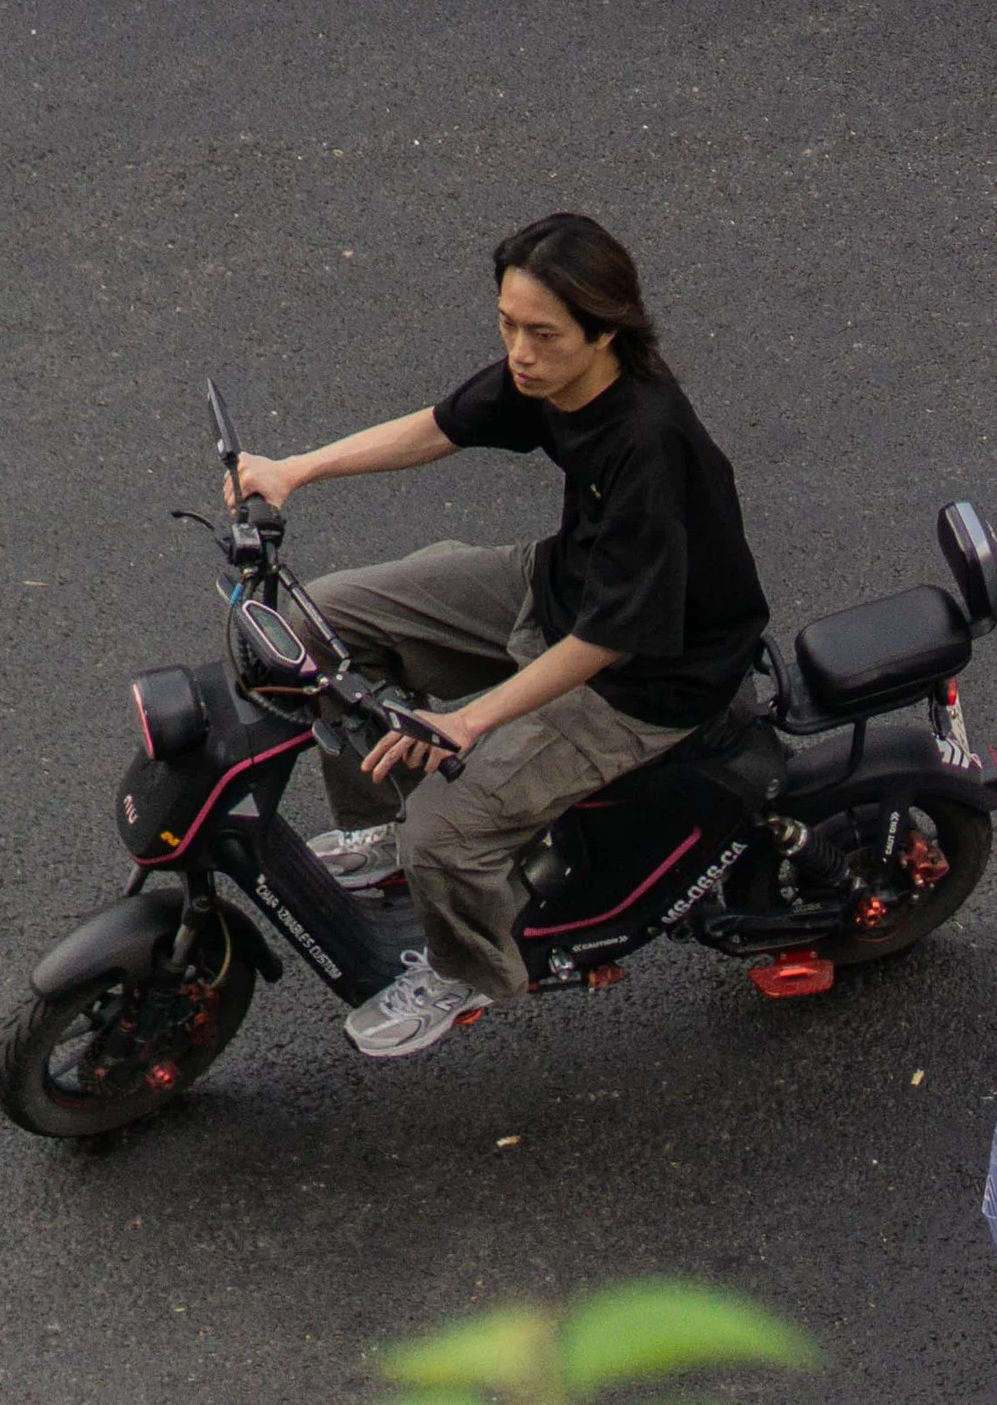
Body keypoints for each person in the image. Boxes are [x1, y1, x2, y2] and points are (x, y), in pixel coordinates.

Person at [225, 213, 771, 1060]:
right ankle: (376, 829)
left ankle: (466, 969)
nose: (519, 351)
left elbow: (609, 642)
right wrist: (295, 470)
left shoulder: (650, 445)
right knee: (319, 626)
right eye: (508, 325)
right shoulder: (551, 377)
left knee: (442, 829)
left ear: (605, 330)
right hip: (562, 586)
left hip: (646, 678)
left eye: (542, 333)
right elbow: (441, 425)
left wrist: (469, 722)